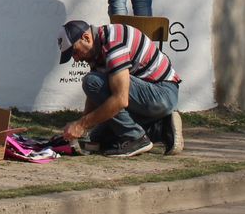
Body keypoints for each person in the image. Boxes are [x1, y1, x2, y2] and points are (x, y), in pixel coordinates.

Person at [57, 18, 183, 157]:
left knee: (91, 81)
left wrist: (81, 125)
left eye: (74, 52)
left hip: (162, 93)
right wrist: (81, 130)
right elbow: (95, 96)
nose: (76, 59)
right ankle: (161, 127)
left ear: (86, 38)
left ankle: (137, 138)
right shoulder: (97, 48)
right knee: (99, 139)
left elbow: (121, 99)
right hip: (152, 96)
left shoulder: (113, 43)